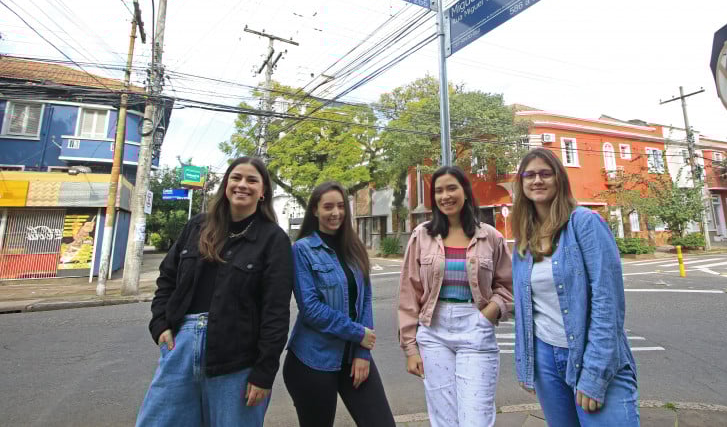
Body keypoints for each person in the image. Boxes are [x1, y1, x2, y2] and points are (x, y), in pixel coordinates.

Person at [136, 156, 293, 427]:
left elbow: (275, 311)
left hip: (238, 360)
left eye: (252, 180)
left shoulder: (273, 239)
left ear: (263, 191)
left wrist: (264, 372)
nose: (242, 185)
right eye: (236, 178)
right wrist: (160, 324)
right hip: (180, 349)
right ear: (226, 184)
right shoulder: (197, 226)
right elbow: (167, 278)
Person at [511, 148, 640, 426]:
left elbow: (608, 301)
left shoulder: (584, 222)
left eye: (545, 173)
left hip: (591, 354)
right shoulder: (524, 239)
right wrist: (526, 363)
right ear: (521, 183)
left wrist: (595, 373)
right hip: (546, 360)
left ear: (559, 179)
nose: (537, 180)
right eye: (529, 175)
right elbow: (526, 306)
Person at [397, 165, 513, 427]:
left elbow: (508, 286)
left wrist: (490, 312)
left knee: (476, 418)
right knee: (445, 420)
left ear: (465, 191)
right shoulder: (422, 235)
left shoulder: (490, 236)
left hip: (476, 328)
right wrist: (410, 348)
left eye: (452, 188)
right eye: (438, 191)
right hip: (433, 332)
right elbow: (408, 293)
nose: (445, 196)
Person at [283, 181, 395, 427]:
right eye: (328, 207)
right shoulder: (302, 250)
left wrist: (362, 352)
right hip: (312, 359)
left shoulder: (353, 247)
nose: (336, 212)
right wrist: (358, 333)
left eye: (341, 206)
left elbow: (365, 299)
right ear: (315, 210)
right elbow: (311, 309)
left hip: (354, 355)